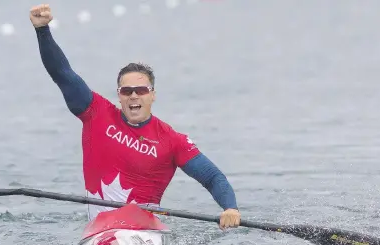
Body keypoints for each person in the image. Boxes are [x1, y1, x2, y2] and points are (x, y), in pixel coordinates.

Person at [29, 4, 241, 230]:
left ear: (152, 95)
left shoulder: (172, 140)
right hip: (100, 232)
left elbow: (212, 178)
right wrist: (43, 31)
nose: (133, 96)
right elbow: (63, 75)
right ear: (119, 96)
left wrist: (230, 208)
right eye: (126, 91)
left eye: (140, 90)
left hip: (145, 233)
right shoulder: (96, 113)